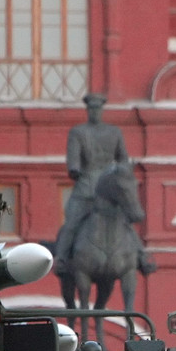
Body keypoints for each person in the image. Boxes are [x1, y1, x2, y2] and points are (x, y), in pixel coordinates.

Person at [56, 93, 129, 262]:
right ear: (87, 110)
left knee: (125, 223)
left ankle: (140, 256)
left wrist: (119, 172)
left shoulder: (114, 132)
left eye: (97, 109)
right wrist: (75, 169)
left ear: (102, 110)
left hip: (109, 190)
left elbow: (123, 159)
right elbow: (73, 159)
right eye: (91, 109)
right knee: (71, 224)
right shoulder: (78, 132)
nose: (95, 112)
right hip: (85, 187)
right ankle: (61, 258)